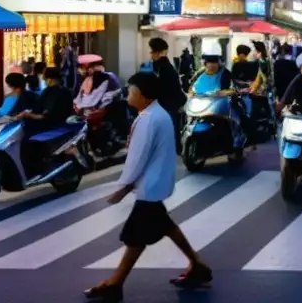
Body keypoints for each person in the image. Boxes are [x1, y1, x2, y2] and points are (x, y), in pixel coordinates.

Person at [84, 72, 212, 301]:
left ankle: (115, 284)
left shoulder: (148, 119)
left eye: (131, 91)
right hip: (156, 182)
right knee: (164, 225)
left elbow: (137, 157)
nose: (127, 96)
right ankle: (197, 264)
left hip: (150, 186)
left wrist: (123, 187)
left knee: (135, 238)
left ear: (142, 95)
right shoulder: (156, 114)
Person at [148, 38, 187, 153]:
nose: (150, 54)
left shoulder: (162, 67)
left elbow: (161, 87)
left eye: (152, 51)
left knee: (171, 126)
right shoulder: (162, 65)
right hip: (169, 101)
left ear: (158, 53)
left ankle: (174, 149)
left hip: (170, 102)